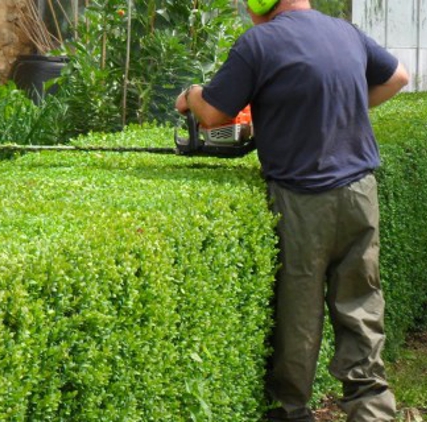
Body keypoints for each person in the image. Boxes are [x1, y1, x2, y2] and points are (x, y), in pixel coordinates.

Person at [175, 0, 409, 421]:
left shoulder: (259, 43)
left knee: (298, 317)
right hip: (359, 192)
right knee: (361, 304)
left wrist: (190, 95)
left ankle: (290, 412)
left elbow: (213, 113)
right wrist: (341, 111)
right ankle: (372, 410)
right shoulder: (344, 31)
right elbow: (398, 78)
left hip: (303, 200)